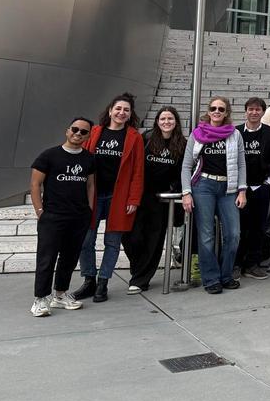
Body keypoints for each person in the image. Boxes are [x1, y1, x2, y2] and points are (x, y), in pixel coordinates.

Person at [74, 94, 144, 303]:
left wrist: (133, 199)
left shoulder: (134, 137)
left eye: (126, 110)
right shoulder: (95, 131)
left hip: (118, 196)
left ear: (130, 114)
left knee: (112, 242)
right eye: (118, 108)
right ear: (111, 110)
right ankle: (89, 280)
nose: (122, 113)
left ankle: (103, 282)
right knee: (86, 240)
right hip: (93, 195)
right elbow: (82, 161)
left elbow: (138, 171)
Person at [28, 117, 96, 317]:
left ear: (89, 135)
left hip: (79, 216)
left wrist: (89, 209)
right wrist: (40, 211)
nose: (78, 133)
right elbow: (34, 185)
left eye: (84, 131)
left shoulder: (89, 159)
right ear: (67, 131)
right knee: (46, 259)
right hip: (53, 216)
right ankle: (40, 299)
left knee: (69, 258)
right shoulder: (49, 156)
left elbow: (90, 185)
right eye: (75, 129)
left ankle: (60, 294)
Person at [180, 97, 248, 294]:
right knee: (206, 234)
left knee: (233, 234)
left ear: (226, 113)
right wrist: (186, 192)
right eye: (213, 108)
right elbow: (186, 166)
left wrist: (242, 190)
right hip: (204, 186)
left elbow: (241, 164)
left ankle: (226, 275)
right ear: (208, 112)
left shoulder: (235, 135)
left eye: (221, 109)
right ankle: (210, 278)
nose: (217, 111)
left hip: (229, 187)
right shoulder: (197, 134)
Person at [124, 106, 186, 293]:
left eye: (170, 119)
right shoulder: (146, 139)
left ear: (176, 123)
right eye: (163, 119)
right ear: (157, 122)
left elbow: (184, 171)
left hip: (162, 199)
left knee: (154, 239)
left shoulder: (182, 144)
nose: (166, 122)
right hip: (140, 195)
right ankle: (138, 269)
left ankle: (140, 279)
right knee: (131, 237)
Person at [236, 98, 270, 279]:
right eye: (250, 109)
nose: (254, 112)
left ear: (263, 112)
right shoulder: (236, 132)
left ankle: (253, 264)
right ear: (245, 111)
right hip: (240, 189)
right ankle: (236, 264)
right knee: (239, 228)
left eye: (257, 110)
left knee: (258, 227)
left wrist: (269, 182)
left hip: (261, 187)